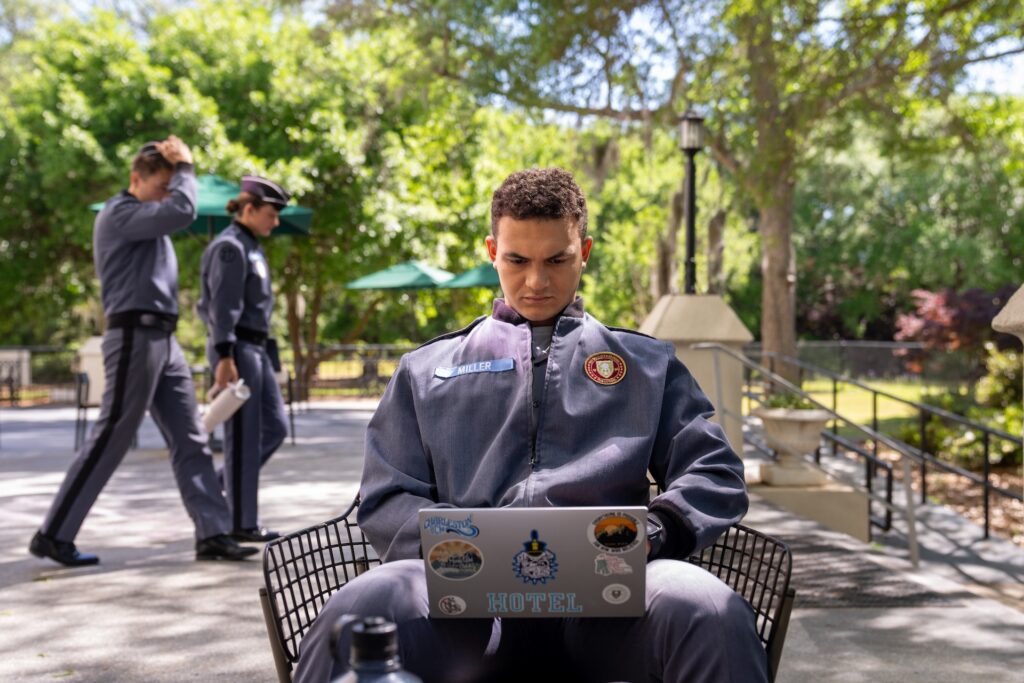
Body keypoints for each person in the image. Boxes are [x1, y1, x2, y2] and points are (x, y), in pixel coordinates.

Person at [293, 168, 768, 683]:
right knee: (358, 610)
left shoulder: (646, 365)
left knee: (709, 609)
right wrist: (455, 543)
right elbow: (386, 495)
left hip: (613, 603)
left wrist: (652, 532)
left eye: (557, 260)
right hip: (463, 605)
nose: (537, 281)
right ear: (492, 251)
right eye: (518, 260)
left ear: (584, 253)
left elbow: (715, 471)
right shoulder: (425, 371)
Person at [30, 137, 257, 566]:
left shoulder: (149, 221)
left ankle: (213, 533)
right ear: (136, 179)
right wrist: (185, 168)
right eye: (162, 186)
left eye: (172, 186)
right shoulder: (120, 213)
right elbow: (183, 210)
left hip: (164, 340)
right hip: (134, 335)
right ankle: (53, 534)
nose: (169, 195)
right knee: (112, 434)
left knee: (192, 437)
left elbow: (175, 213)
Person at [196, 176, 290, 542]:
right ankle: (240, 523)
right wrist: (224, 355)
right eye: (271, 214)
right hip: (236, 349)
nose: (275, 222)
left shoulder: (250, 246)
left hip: (256, 349)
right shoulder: (230, 247)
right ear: (249, 209)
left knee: (275, 427)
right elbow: (222, 307)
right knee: (242, 439)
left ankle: (222, 489)